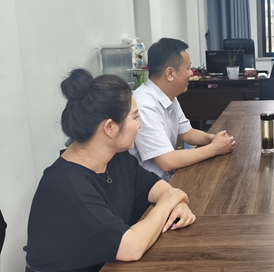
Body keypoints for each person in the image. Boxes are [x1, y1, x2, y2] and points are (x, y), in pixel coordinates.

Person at [25, 69, 196, 272]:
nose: (139, 125)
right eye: (135, 117)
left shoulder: (116, 158)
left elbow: (153, 186)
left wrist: (176, 202)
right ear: (110, 128)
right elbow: (132, 247)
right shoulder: (67, 186)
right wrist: (168, 204)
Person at [130, 38, 235, 181]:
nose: (192, 73)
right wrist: (214, 148)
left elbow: (187, 133)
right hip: (153, 187)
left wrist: (212, 139)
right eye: (188, 68)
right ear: (170, 74)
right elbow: (167, 161)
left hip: (170, 178)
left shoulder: (169, 96)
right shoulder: (144, 105)